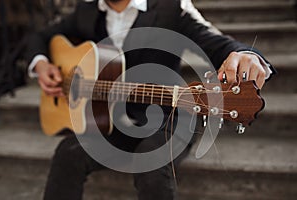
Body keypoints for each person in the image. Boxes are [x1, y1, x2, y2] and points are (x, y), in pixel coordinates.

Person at [26, 0, 275, 200]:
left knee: (151, 165)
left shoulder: (172, 7)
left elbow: (217, 42)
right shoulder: (86, 10)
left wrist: (246, 56)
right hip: (111, 119)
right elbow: (40, 37)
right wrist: (41, 63)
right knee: (68, 152)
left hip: (167, 114)